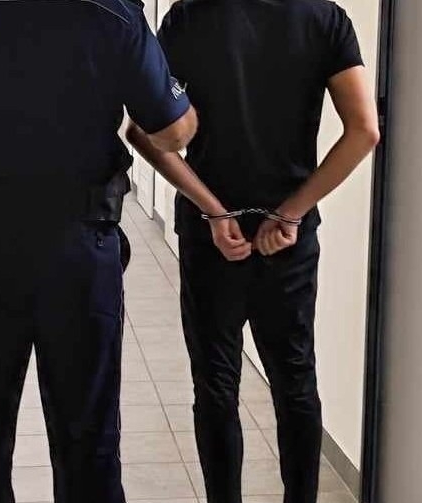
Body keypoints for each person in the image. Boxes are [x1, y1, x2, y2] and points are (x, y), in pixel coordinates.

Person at [0, 0, 237, 502]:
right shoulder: (114, 14)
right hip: (79, 246)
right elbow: (171, 132)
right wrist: (181, 102)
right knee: (88, 439)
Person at [126, 1, 380, 502]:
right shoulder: (324, 18)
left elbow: (143, 132)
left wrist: (214, 211)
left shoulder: (187, 17)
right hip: (286, 240)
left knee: (215, 387)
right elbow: (364, 131)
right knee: (295, 383)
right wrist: (291, 213)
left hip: (210, 238)